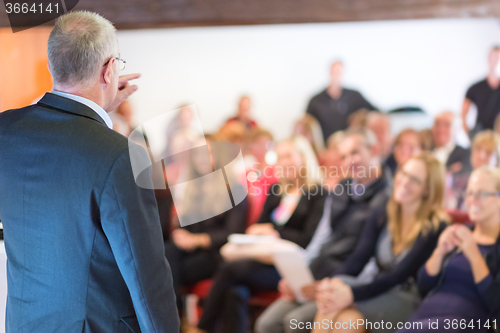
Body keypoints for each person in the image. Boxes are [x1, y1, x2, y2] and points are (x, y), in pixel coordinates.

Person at [0, 11, 179, 333]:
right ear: (109, 70)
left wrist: (96, 109)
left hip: (23, 322)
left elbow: (58, 133)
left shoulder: (5, 130)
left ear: (51, 65)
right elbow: (145, 272)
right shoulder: (120, 154)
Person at [255, 128, 391, 333]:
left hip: (346, 282)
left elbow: (374, 261)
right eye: (343, 156)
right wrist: (299, 277)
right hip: (319, 273)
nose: (349, 162)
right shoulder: (341, 189)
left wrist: (325, 287)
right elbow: (320, 240)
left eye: (355, 153)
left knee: (295, 322)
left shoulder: (388, 198)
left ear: (374, 150)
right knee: (266, 324)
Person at [190, 138, 325, 333]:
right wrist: (266, 231)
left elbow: (307, 239)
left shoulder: (317, 193)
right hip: (262, 258)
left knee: (228, 270)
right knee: (235, 291)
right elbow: (257, 228)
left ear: (303, 158)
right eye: (280, 158)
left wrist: (274, 232)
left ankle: (201, 328)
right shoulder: (277, 190)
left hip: (289, 265)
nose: (284, 163)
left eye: (289, 156)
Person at [313, 152, 448, 333]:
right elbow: (358, 258)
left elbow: (397, 276)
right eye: (403, 173)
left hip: (407, 296)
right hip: (378, 288)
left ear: (427, 189)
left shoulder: (435, 226)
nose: (404, 182)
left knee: (347, 321)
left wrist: (351, 294)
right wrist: (332, 283)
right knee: (334, 293)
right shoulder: (384, 210)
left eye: (415, 180)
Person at [396, 166, 500, 333]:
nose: (472, 200)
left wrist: (474, 255)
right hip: (426, 313)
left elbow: (495, 301)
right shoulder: (460, 232)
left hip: (463, 321)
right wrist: (439, 252)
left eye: (481, 194)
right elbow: (423, 285)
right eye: (469, 193)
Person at [164, 137, 248, 308]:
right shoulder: (194, 187)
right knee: (165, 253)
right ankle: (172, 318)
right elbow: (184, 223)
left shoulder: (234, 188)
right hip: (190, 249)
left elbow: (232, 233)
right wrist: (180, 234)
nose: (201, 159)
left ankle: (172, 318)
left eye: (207, 153)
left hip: (216, 252)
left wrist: (198, 240)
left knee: (168, 270)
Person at [306, 61, 375, 142]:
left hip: (349, 143)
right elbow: (306, 124)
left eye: (339, 72)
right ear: (330, 72)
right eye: (334, 72)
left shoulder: (354, 96)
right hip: (324, 146)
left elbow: (375, 111)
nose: (336, 75)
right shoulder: (316, 101)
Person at [445, 130, 500, 212]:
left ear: (497, 159)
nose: (481, 156)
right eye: (478, 149)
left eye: (488, 152)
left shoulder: (497, 187)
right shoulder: (458, 180)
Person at [461, 46, 500, 138]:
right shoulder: (475, 88)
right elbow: (463, 114)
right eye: (493, 57)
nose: (496, 61)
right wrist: (470, 136)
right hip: (480, 135)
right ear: (488, 59)